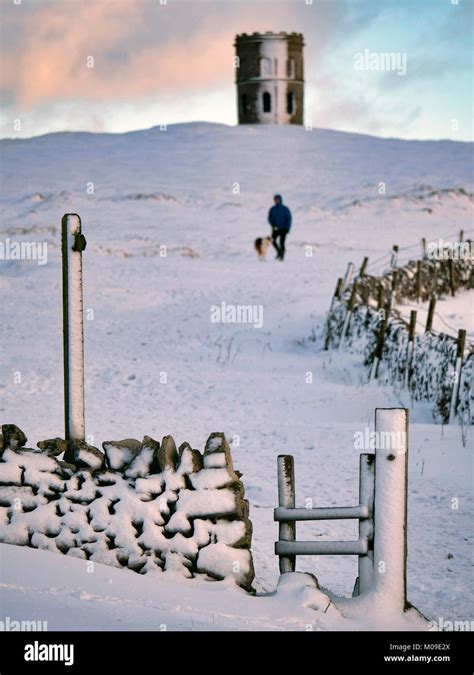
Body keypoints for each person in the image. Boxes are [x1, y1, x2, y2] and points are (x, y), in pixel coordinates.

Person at [268, 194, 292, 260]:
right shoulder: (272, 209)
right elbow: (269, 218)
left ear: (280, 200)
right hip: (275, 228)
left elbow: (289, 219)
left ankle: (282, 256)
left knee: (282, 243)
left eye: (277, 199)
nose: (276, 201)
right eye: (275, 200)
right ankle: (279, 252)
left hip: (283, 229)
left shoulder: (285, 209)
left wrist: (288, 228)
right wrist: (272, 225)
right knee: (273, 241)